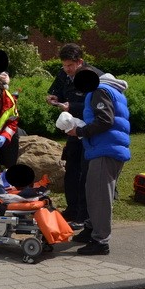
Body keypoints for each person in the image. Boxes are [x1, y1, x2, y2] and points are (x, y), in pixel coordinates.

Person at [67, 69, 131, 255]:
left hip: (104, 149)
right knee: (93, 192)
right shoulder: (114, 91)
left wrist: (79, 131)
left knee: (100, 197)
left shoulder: (99, 91)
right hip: (110, 148)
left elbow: (105, 120)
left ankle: (100, 241)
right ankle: (90, 229)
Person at [46, 43, 102, 224]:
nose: (66, 70)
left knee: (85, 174)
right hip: (72, 131)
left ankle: (84, 215)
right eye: (64, 65)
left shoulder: (94, 77)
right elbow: (56, 91)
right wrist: (54, 98)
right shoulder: (64, 74)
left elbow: (98, 108)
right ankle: (72, 210)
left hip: (89, 132)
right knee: (71, 170)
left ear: (80, 62)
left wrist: (73, 106)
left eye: (70, 66)